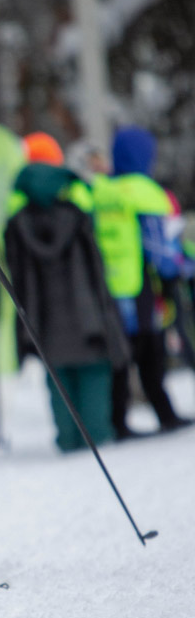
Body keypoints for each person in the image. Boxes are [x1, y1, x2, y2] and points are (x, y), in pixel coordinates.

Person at [4, 136, 129, 453]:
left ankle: (68, 442)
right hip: (88, 319)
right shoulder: (77, 216)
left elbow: (17, 278)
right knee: (93, 377)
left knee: (58, 384)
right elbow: (96, 273)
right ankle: (98, 438)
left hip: (43, 321)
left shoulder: (17, 225)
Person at [90, 126, 192, 437]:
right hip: (144, 287)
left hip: (110, 286)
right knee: (152, 352)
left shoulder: (103, 190)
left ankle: (117, 420)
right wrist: (180, 268)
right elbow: (159, 246)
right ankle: (165, 414)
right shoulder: (146, 191)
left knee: (121, 356)